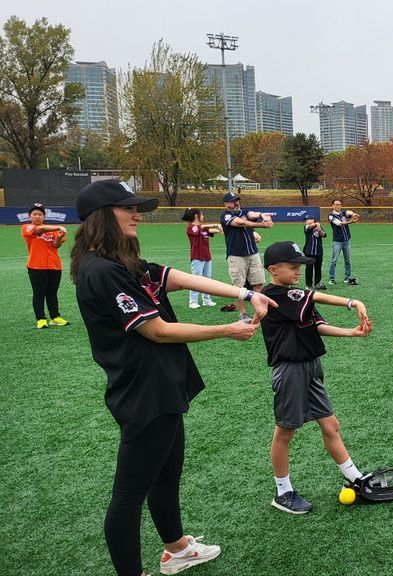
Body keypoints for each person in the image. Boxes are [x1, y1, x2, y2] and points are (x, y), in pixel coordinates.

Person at [70, 179, 277, 576]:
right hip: (144, 391)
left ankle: (177, 548)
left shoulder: (121, 263)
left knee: (166, 473)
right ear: (101, 217)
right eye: (127, 208)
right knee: (128, 495)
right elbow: (156, 330)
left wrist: (247, 295)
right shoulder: (101, 271)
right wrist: (227, 330)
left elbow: (175, 277)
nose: (137, 216)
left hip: (162, 383)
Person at [258, 241, 372, 515]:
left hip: (310, 365)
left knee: (330, 424)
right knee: (285, 430)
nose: (298, 270)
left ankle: (353, 477)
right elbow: (314, 298)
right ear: (273, 270)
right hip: (290, 369)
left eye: (300, 266)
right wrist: (352, 301)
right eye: (292, 266)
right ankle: (282, 491)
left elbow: (317, 325)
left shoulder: (294, 296)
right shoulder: (273, 294)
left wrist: (351, 332)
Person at [221, 192, 273, 322]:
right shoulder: (225, 215)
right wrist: (262, 225)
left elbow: (251, 214)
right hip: (236, 255)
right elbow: (240, 223)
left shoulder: (244, 212)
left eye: (237, 200)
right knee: (238, 286)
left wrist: (261, 215)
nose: (236, 203)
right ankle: (242, 314)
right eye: (233, 201)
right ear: (226, 204)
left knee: (258, 281)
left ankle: (259, 309)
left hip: (253, 253)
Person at [22, 203, 69, 329]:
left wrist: (59, 237)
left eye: (40, 214)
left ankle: (55, 317)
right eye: (35, 214)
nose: (37, 216)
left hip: (54, 265)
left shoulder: (51, 230)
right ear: (29, 216)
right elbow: (39, 230)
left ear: (44, 216)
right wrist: (58, 227)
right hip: (36, 266)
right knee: (39, 293)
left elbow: (56, 245)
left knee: (52, 293)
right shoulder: (27, 227)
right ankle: (41, 319)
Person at [182, 208, 221, 309]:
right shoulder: (190, 227)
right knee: (196, 279)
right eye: (201, 214)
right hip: (197, 257)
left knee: (207, 278)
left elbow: (211, 231)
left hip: (207, 256)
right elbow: (199, 228)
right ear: (196, 216)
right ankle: (193, 301)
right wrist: (214, 224)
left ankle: (206, 299)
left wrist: (221, 229)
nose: (203, 217)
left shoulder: (203, 228)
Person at [327, 200, 360, 285]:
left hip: (346, 240)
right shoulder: (331, 216)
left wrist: (353, 214)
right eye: (336, 204)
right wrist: (351, 222)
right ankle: (331, 278)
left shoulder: (343, 213)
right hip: (337, 241)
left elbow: (349, 212)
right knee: (334, 260)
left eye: (340, 204)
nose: (338, 206)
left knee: (347, 260)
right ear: (332, 206)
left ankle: (347, 277)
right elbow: (339, 223)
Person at [303, 215, 327, 290]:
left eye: (311, 219)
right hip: (309, 251)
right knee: (309, 268)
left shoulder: (318, 226)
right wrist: (316, 224)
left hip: (318, 251)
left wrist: (319, 228)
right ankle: (308, 284)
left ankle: (317, 283)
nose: (309, 220)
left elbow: (323, 235)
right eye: (307, 219)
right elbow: (309, 228)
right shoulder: (306, 227)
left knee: (318, 268)